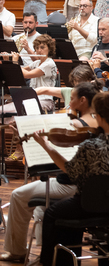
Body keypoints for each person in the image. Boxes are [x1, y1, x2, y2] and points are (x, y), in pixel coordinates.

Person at [36, 89, 109, 266]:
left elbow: (69, 170)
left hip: (88, 206)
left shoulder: (90, 146)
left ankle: (52, 262)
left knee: (52, 213)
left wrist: (46, 146)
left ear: (99, 116)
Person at [0, 82, 100, 264]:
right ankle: (43, 248)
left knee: (17, 195)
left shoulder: (75, 124)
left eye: (73, 98)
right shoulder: (100, 120)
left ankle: (17, 252)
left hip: (70, 184)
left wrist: (28, 139)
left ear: (83, 100)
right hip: (92, 186)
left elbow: (57, 158)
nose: (69, 102)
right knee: (40, 205)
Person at [12, 34, 57, 113]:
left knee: (17, 110)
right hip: (32, 100)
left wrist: (15, 62)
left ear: (49, 49)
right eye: (37, 48)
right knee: (4, 109)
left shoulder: (49, 64)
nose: (39, 50)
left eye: (42, 47)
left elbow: (27, 74)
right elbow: (18, 72)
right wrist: (8, 60)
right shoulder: (37, 62)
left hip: (45, 100)